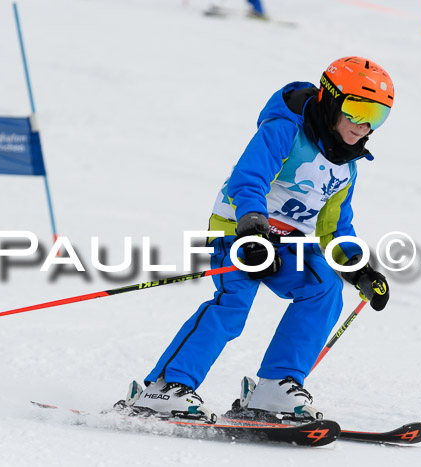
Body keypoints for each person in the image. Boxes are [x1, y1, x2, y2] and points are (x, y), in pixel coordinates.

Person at [127, 56, 394, 422]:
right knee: (233, 303)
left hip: (289, 245)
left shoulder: (346, 166)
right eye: (357, 109)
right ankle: (165, 387)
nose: (363, 125)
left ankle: (275, 387)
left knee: (325, 287)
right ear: (331, 100)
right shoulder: (285, 130)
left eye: (376, 116)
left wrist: (360, 269)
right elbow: (247, 179)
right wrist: (253, 231)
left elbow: (333, 229)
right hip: (237, 230)